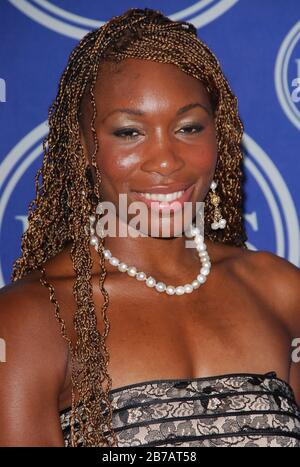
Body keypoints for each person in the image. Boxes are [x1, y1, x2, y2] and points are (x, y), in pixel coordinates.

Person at [0, 7, 299, 448]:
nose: (165, 160)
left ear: (220, 133)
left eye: (189, 127)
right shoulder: (29, 320)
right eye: (129, 132)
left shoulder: (281, 290)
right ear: (82, 146)